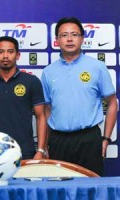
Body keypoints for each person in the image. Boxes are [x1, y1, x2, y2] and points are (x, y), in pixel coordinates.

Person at [41, 17, 117, 176]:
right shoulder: (48, 72)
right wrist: (46, 144)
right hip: (59, 141)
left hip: (89, 140)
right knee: (60, 193)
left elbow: (112, 103)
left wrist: (106, 139)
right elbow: (47, 109)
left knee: (91, 191)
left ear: (82, 38)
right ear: (57, 40)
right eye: (64, 35)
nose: (69, 39)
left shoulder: (97, 67)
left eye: (74, 34)